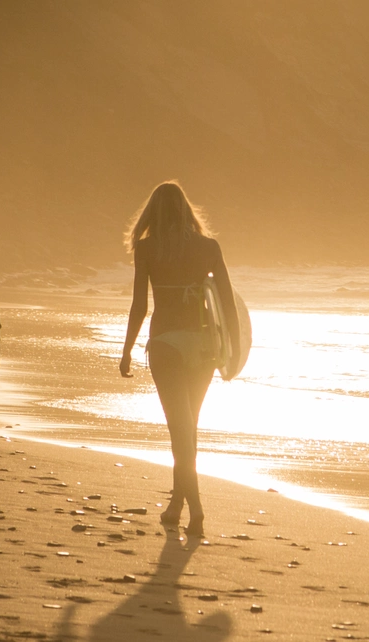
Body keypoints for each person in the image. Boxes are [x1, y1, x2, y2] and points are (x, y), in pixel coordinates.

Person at [119, 181, 238, 537]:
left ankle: (196, 509)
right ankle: (176, 503)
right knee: (189, 426)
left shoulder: (146, 248)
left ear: (152, 214)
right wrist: (231, 354)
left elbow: (140, 305)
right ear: (186, 211)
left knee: (180, 429)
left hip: (166, 344)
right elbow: (229, 305)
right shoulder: (209, 247)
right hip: (203, 346)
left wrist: (126, 349)